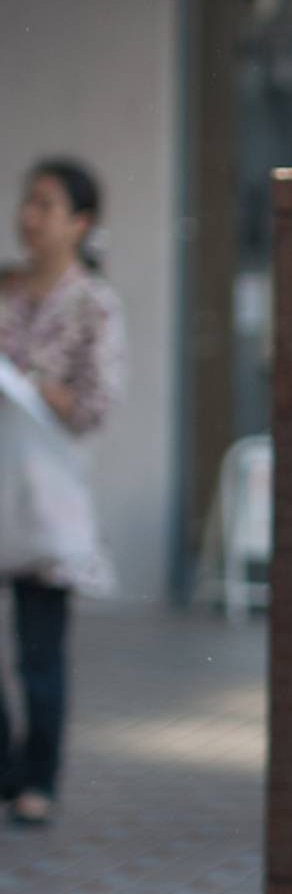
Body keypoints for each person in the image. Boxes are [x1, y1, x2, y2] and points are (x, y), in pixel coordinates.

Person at [0, 159, 126, 825]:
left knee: (39, 648)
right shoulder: (4, 289)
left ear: (80, 222)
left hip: (45, 496)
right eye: (28, 202)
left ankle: (37, 780)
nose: (29, 216)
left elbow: (98, 404)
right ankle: (6, 767)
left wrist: (30, 385)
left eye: (46, 205)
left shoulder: (93, 303)